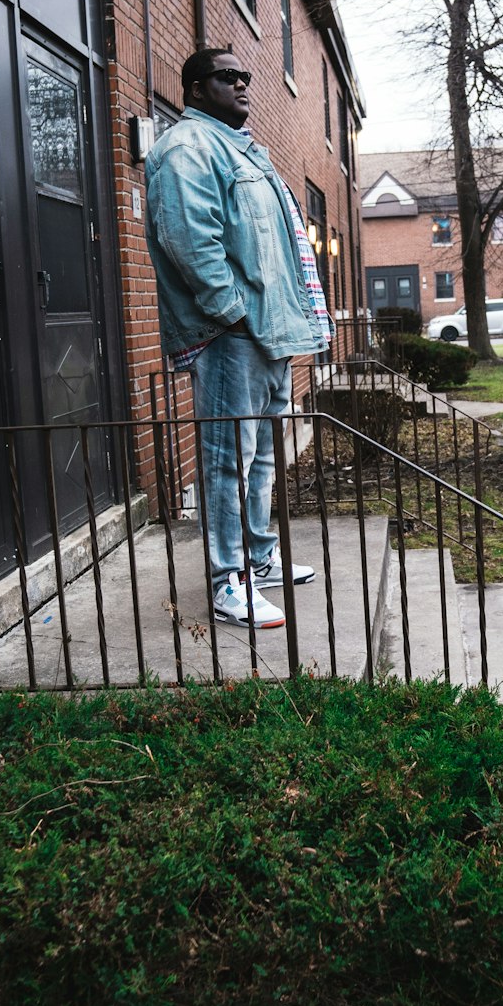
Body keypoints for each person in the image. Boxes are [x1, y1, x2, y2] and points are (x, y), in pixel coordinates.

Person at [144, 48, 332, 628]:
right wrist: (232, 315)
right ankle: (228, 583)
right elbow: (188, 239)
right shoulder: (186, 147)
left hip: (268, 330)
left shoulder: (242, 149)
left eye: (247, 76)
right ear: (197, 90)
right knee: (227, 458)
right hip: (235, 334)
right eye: (229, 77)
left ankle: (257, 557)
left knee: (264, 456)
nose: (244, 85)